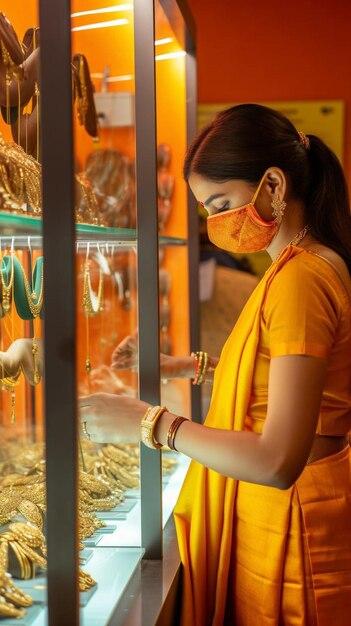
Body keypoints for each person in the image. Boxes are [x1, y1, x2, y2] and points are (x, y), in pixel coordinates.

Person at [79, 104, 351, 626]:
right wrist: (184, 365)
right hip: (296, 509)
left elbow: (276, 460)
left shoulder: (300, 279)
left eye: (221, 203)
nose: (214, 224)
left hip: (295, 519)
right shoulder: (303, 263)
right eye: (207, 210)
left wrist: (149, 422)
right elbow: (284, 367)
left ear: (272, 185)